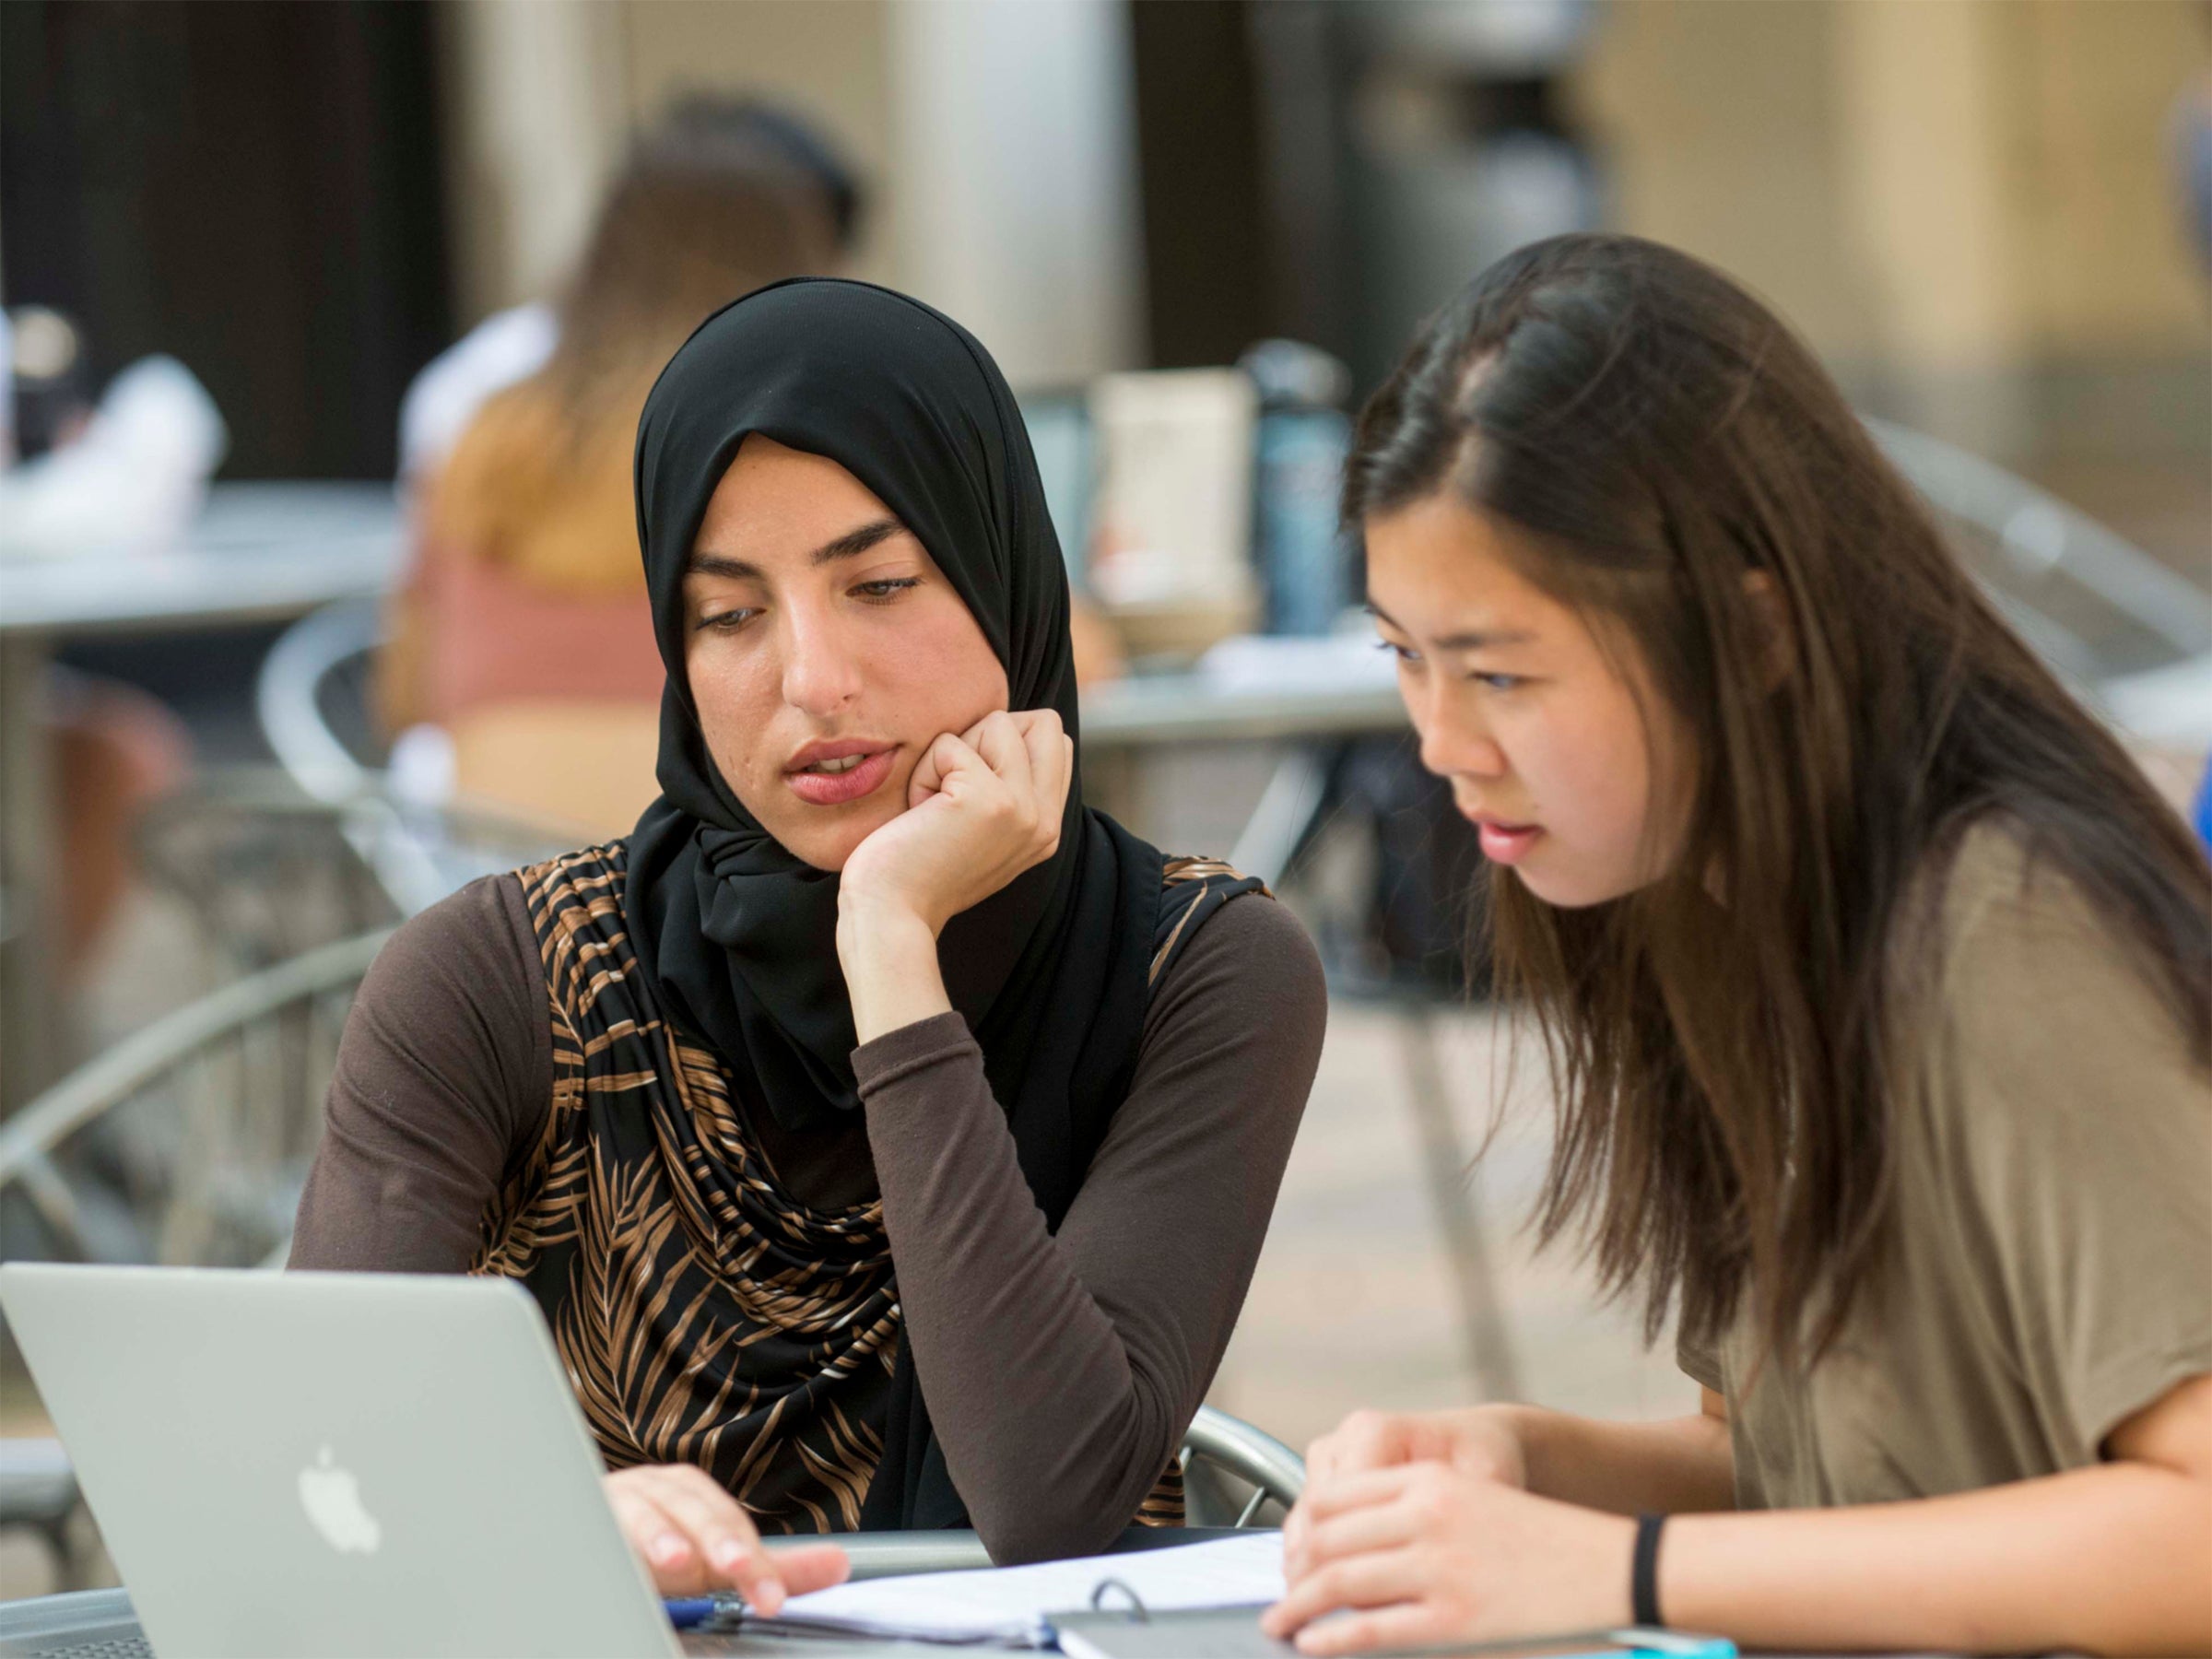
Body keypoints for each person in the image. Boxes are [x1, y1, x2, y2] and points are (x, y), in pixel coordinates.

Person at [291, 279, 1326, 1603]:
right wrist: (548, 1518)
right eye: (730, 615)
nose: (811, 678)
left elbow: (1052, 1500)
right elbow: (316, 1464)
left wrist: (891, 945)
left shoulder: (1198, 971)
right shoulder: (510, 981)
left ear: (1002, 570)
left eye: (881, 583)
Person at [1263, 234, 2212, 1656]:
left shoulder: (2004, 928)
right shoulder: (1715, 902)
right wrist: (1522, 1466)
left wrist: (1623, 1576)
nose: (1442, 746)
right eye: (1404, 656)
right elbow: (1803, 1483)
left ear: (1753, 632)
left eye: (1501, 672)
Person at [377, 101, 850, 826]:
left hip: (503, 894)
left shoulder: (480, 435)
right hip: (732, 885)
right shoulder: (794, 441)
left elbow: (404, 700)